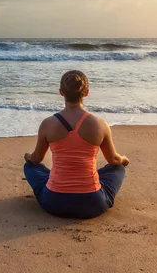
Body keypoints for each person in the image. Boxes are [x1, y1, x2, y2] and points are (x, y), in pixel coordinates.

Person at [23, 70, 130, 219]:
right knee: (117, 168)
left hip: (54, 203)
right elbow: (113, 160)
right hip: (93, 204)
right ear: (86, 93)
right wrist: (124, 160)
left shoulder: (48, 124)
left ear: (61, 92)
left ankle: (56, 183)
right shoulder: (100, 124)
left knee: (30, 167)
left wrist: (27, 156)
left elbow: (36, 159)